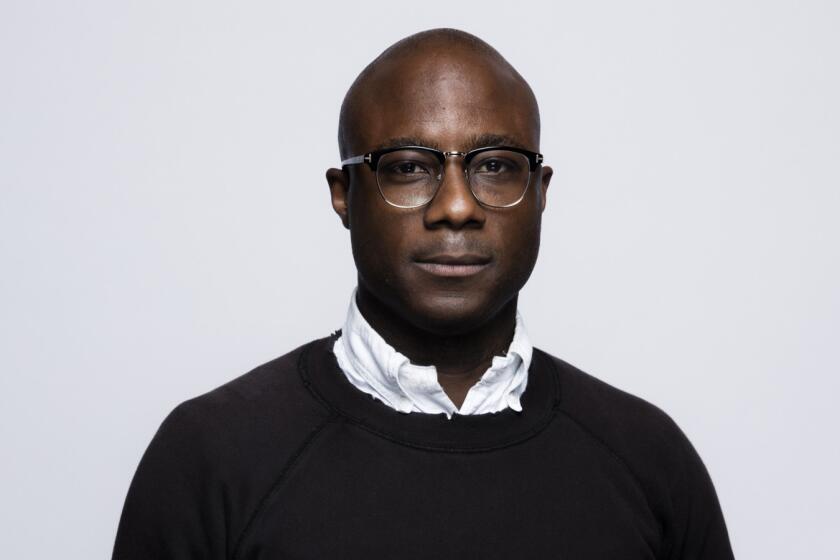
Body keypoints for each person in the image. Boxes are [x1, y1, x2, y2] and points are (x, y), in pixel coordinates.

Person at [112, 29, 735, 559]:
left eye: (495, 165)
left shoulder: (650, 460)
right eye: (409, 166)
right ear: (342, 195)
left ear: (541, 192)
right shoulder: (211, 459)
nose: (457, 207)